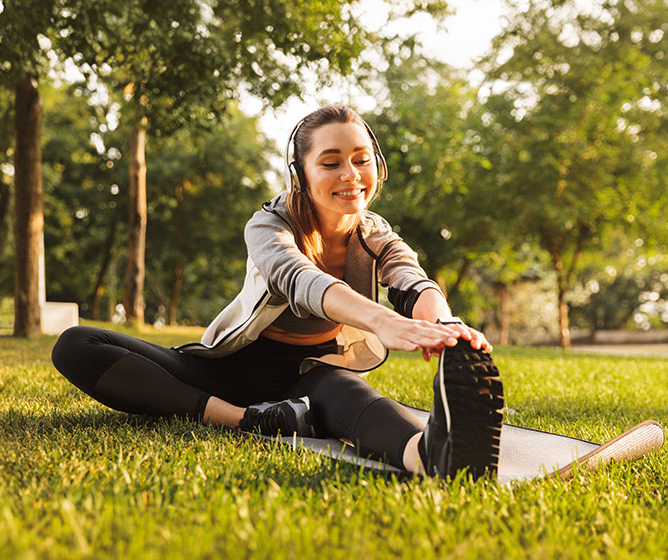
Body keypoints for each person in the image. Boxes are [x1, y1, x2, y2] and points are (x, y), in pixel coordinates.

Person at [52, 105, 504, 478]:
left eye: (362, 159)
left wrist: (445, 326)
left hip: (309, 378)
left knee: (351, 395)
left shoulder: (375, 234)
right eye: (330, 162)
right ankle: (248, 421)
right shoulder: (268, 225)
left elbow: (410, 278)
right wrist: (384, 321)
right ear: (301, 173)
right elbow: (300, 280)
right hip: (228, 374)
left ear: (377, 166)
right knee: (77, 344)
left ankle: (429, 456)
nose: (351, 174)